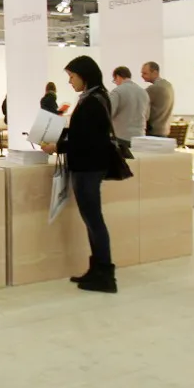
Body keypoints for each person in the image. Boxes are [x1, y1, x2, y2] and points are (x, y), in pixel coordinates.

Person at [41, 56, 117, 294]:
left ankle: (105, 274)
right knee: (92, 219)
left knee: (94, 220)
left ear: (84, 75)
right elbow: (83, 134)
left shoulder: (93, 101)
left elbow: (86, 140)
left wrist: (57, 147)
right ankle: (97, 269)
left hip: (88, 167)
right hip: (89, 166)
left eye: (72, 76)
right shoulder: (95, 97)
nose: (70, 81)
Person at [109, 66, 149, 146]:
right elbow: (147, 116)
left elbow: (109, 113)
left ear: (118, 76)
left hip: (122, 136)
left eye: (114, 80)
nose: (116, 83)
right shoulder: (143, 92)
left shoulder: (117, 91)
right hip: (140, 137)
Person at [142, 61, 175, 137]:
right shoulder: (168, 85)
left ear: (155, 72)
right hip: (165, 130)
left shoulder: (154, 88)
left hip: (154, 131)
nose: (142, 76)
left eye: (145, 73)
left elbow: (138, 100)